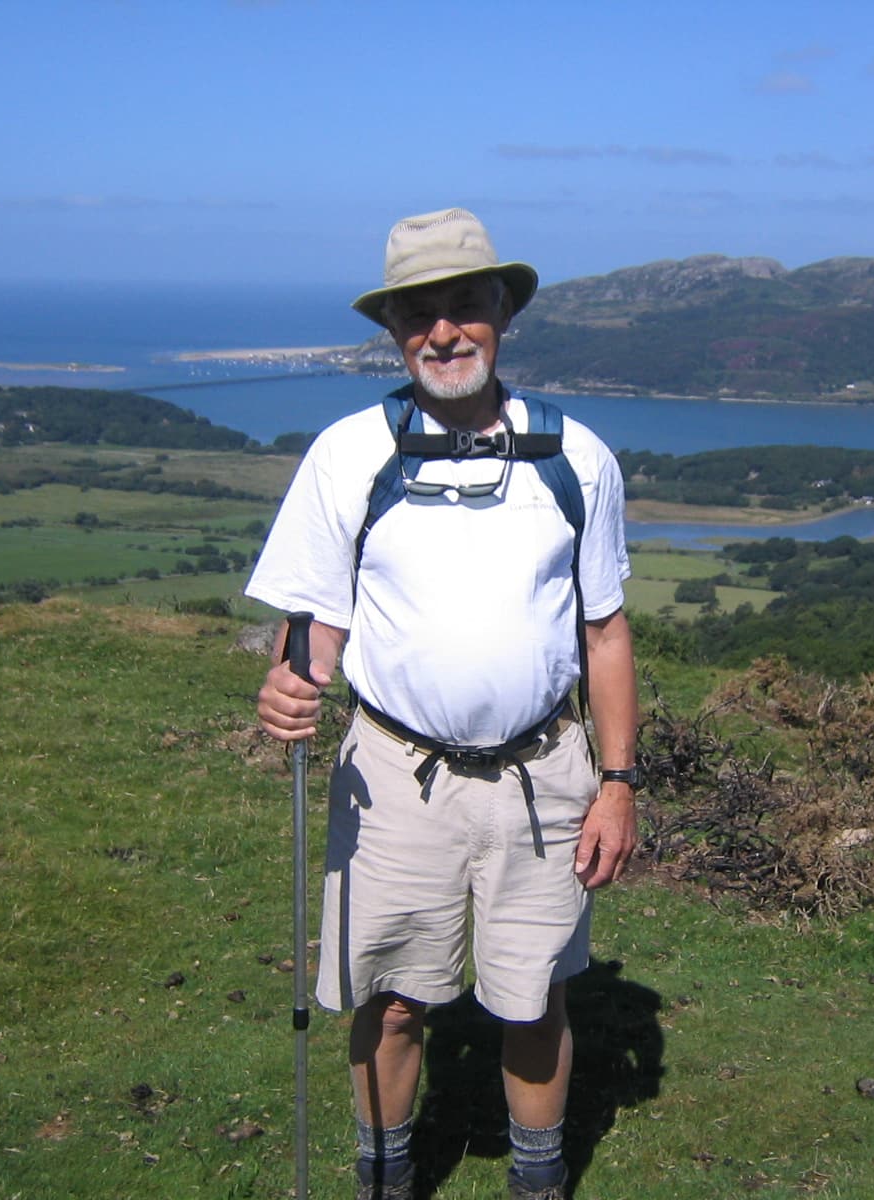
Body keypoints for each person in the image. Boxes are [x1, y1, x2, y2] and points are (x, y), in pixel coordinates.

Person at [248, 207, 639, 1200]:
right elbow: (318, 617)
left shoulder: (575, 457)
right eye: (417, 315)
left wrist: (619, 784)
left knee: (533, 996)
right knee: (385, 1000)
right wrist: (293, 680)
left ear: (502, 311)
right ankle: (386, 1180)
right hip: (392, 774)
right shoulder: (349, 454)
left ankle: (536, 1182)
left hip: (543, 774)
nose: (443, 332)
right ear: (391, 331)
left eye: (464, 306)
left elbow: (604, 634)